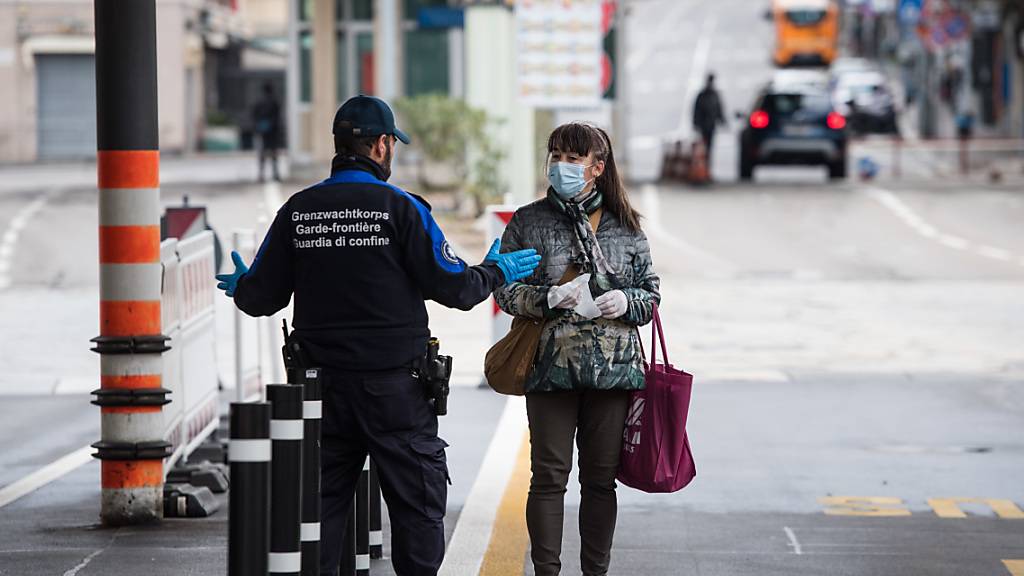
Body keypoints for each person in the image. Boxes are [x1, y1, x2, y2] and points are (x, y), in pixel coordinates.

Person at [215, 95, 542, 576]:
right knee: (416, 512)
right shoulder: (401, 209)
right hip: (397, 394)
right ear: (382, 146)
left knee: (320, 518)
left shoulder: (299, 211)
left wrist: (244, 284)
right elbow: (456, 288)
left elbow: (260, 300)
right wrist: (496, 270)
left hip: (319, 393)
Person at [495, 122, 661, 576]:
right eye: (556, 156)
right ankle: (547, 571)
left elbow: (651, 296)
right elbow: (504, 289)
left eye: (573, 159)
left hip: (613, 373)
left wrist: (627, 301)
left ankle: (595, 571)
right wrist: (544, 299)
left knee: (600, 482)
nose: (561, 166)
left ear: (597, 168)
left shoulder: (626, 226)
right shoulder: (529, 221)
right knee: (548, 479)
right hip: (549, 368)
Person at [692, 73, 727, 176]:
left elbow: (719, 109)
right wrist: (696, 123)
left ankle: (706, 170)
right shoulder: (704, 94)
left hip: (710, 125)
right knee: (704, 148)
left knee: (709, 148)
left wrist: (722, 120)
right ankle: (703, 170)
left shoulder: (714, 94)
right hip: (704, 125)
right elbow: (697, 110)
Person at [252, 82, 282, 182]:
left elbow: (254, 116)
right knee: (273, 153)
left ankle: (261, 175)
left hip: (262, 131)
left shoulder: (258, 102)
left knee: (262, 153)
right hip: (273, 131)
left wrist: (258, 127)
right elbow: (278, 118)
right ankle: (275, 174)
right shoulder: (274, 102)